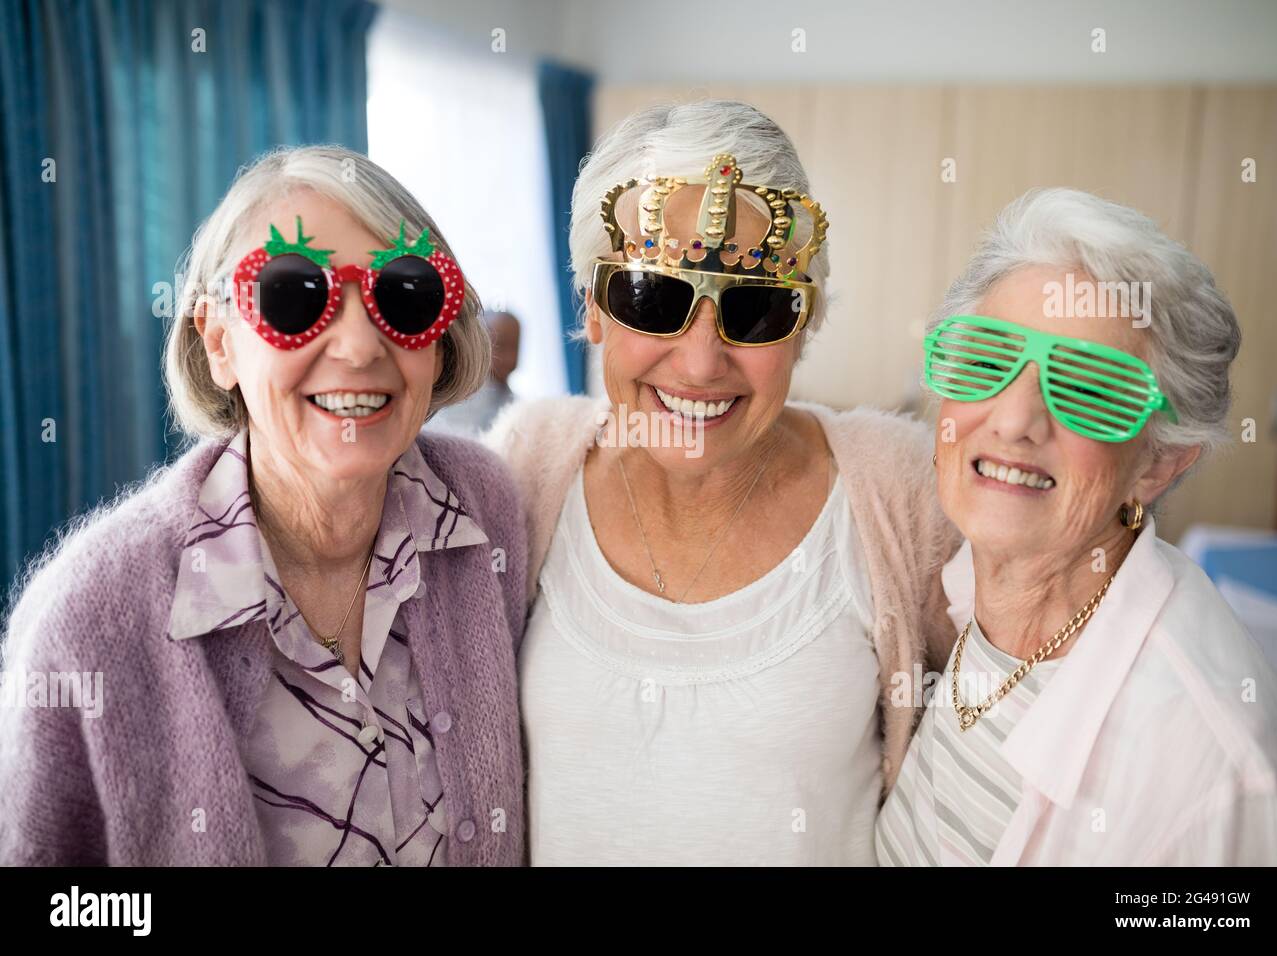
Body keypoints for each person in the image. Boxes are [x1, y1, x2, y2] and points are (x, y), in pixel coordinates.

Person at [0, 146, 527, 866]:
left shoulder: (489, 511)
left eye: (404, 295)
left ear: (437, 342)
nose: (358, 346)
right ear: (219, 342)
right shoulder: (92, 613)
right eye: (293, 295)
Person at [485, 100, 961, 865]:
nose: (702, 364)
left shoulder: (898, 492)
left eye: (757, 306)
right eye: (654, 296)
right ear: (594, 308)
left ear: (803, 324)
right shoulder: (527, 467)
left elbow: (1021, 722)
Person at [876, 187, 1277, 865]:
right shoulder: (965, 590)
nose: (1014, 420)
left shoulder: (1217, 771)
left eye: (1090, 388)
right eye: (987, 358)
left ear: (1158, 463)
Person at [428, 310, 520, 435]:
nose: (509, 358)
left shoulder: (516, 405)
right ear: (481, 346)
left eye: (515, 347)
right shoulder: (459, 399)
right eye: (501, 346)